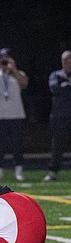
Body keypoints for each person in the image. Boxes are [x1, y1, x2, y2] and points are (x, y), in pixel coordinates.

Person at [0, 48, 28, 182]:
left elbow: (24, 83)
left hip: (15, 114)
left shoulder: (18, 74)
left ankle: (19, 168)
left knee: (17, 144)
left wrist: (13, 69)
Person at [44, 51, 71, 182]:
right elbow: (55, 88)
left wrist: (65, 86)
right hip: (60, 116)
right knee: (58, 145)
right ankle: (53, 171)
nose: (69, 63)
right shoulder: (56, 75)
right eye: (66, 60)